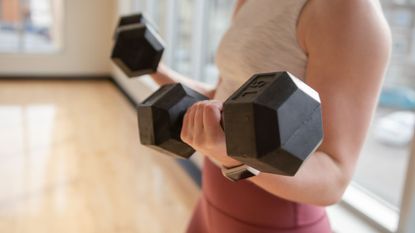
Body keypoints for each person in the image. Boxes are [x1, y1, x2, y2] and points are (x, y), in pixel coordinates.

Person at [150, 0, 391, 232]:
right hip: (210, 204)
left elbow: (334, 177)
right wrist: (155, 69)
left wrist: (233, 156)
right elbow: (223, 99)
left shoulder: (348, 9)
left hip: (274, 220)